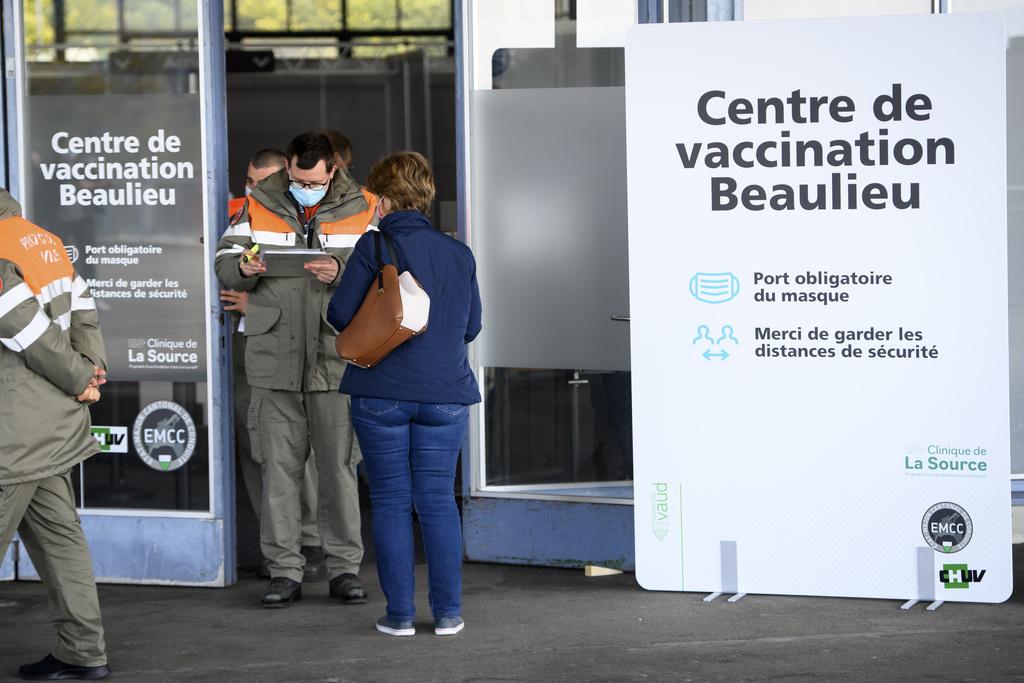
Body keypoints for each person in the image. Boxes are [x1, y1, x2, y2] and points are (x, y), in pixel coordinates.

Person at [215, 131, 376, 608]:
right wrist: (247, 266)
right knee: (279, 472)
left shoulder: (364, 206)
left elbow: (387, 268)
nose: (305, 186)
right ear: (287, 165)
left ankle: (344, 569)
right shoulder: (257, 202)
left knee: (338, 470)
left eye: (314, 180)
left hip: (334, 359)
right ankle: (284, 571)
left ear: (333, 170)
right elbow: (225, 261)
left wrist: (342, 269)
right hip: (275, 359)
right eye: (297, 177)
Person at [327, 152, 482, 637]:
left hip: (382, 394)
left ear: (385, 198)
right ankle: (448, 614)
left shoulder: (374, 247)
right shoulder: (458, 253)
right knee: (437, 500)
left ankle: (399, 617)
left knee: (392, 500)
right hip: (446, 394)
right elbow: (472, 326)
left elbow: (340, 315)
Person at [0, 188, 111, 679]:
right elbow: (84, 311)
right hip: (48, 425)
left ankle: (83, 652)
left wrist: (77, 376)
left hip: (12, 430)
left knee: (60, 541)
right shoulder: (39, 240)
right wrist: (89, 370)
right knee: (61, 543)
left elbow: (22, 327)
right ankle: (83, 652)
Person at [221, 148, 327, 581]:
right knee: (256, 450)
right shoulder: (240, 217)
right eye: (248, 180)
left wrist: (256, 303)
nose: (252, 189)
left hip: (295, 351)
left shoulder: (307, 219)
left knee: (302, 453)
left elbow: (313, 288)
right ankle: (277, 544)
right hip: (249, 352)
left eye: (260, 181)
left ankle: (311, 539)